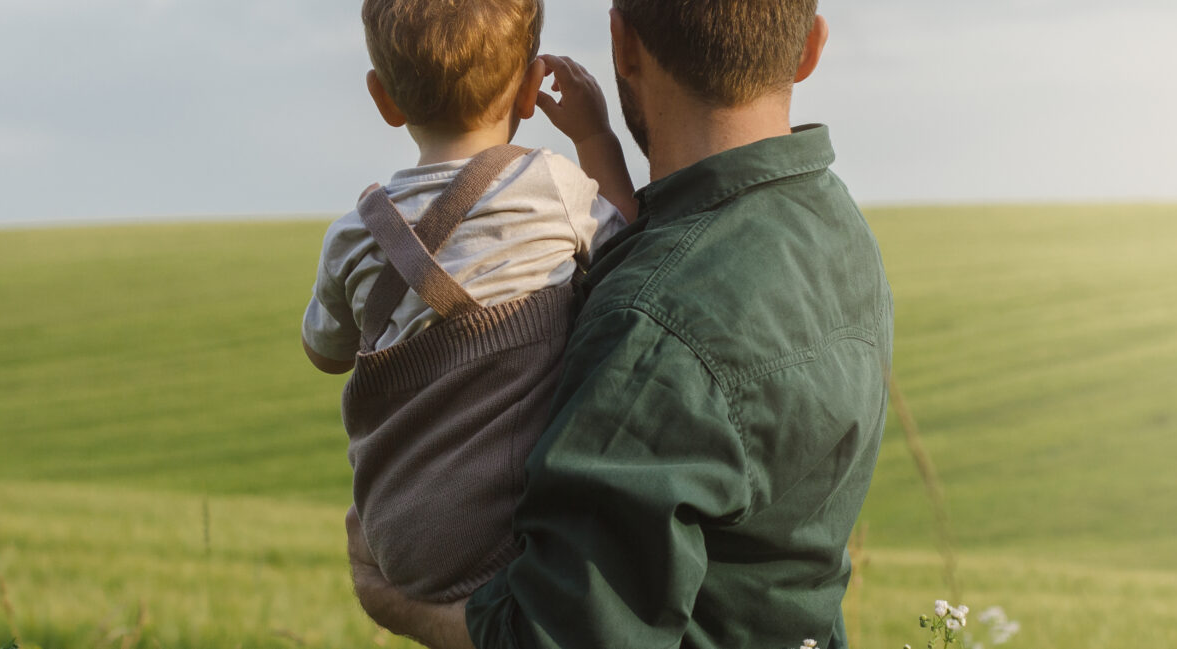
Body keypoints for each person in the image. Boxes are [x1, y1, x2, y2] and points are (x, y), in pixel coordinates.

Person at [345, 1, 895, 647]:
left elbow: (558, 634)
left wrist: (392, 601)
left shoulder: (652, 327)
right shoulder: (831, 222)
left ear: (622, 45)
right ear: (810, 49)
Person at [299, 0, 641, 604]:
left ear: (384, 98)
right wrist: (594, 134)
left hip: (404, 544)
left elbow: (325, 353)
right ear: (532, 87)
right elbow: (629, 246)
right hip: (525, 531)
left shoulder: (351, 235)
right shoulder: (553, 186)